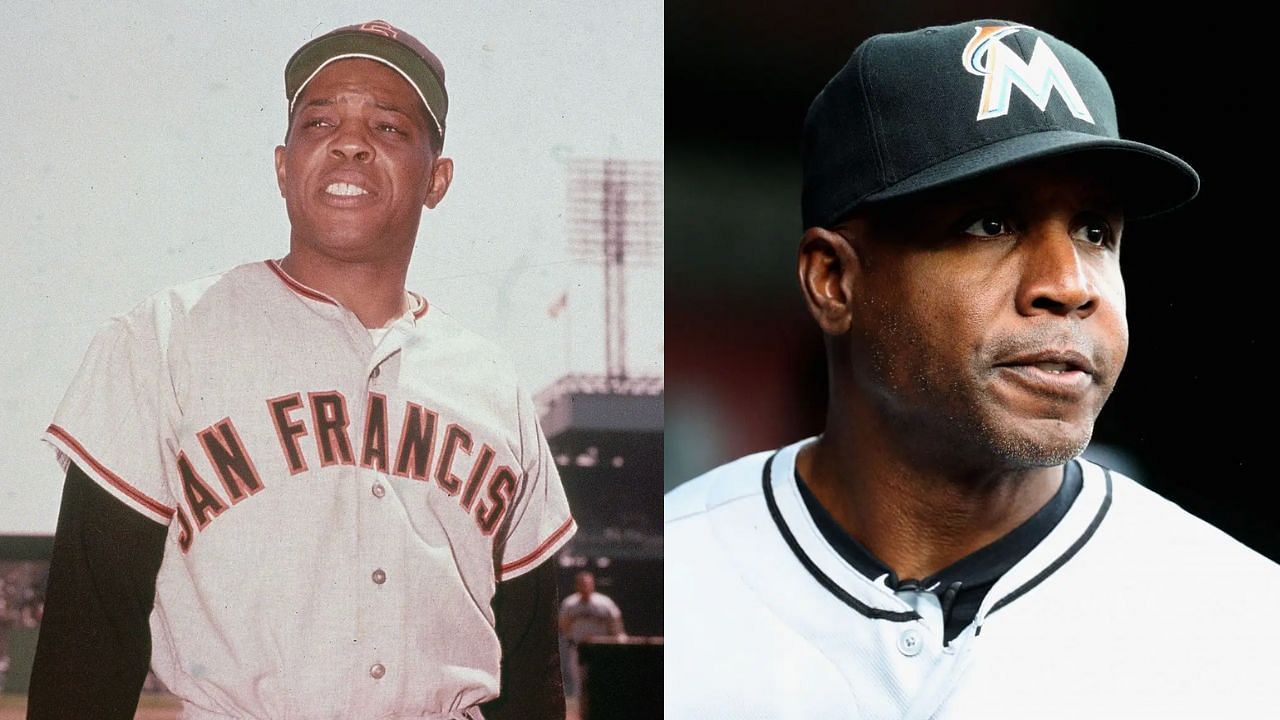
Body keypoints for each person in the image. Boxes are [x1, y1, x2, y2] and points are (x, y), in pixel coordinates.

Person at [664, 19, 1280, 719]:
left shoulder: (1241, 627)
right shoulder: (654, 590)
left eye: (1096, 230)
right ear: (834, 280)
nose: (1069, 284)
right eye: (990, 223)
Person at [30, 20, 575, 720]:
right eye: (320, 122)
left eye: (388, 127)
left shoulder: (493, 384)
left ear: (436, 180)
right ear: (284, 166)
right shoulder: (163, 339)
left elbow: (527, 664)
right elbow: (90, 636)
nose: (350, 141)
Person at [557, 571, 624, 697]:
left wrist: (617, 638)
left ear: (592, 584)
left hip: (601, 647)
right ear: (576, 586)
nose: (584, 586)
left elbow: (615, 622)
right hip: (579, 647)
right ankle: (581, 714)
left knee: (602, 680)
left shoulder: (604, 602)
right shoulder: (570, 603)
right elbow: (563, 625)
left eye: (587, 583)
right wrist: (571, 638)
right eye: (581, 584)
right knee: (579, 682)